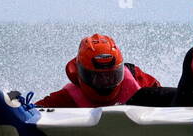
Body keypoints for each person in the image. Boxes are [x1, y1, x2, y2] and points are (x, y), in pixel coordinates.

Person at [35, 34, 174, 108]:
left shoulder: (137, 79)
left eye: (112, 76)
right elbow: (35, 110)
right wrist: (15, 104)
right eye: (98, 77)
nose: (106, 82)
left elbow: (168, 97)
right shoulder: (69, 96)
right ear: (81, 74)